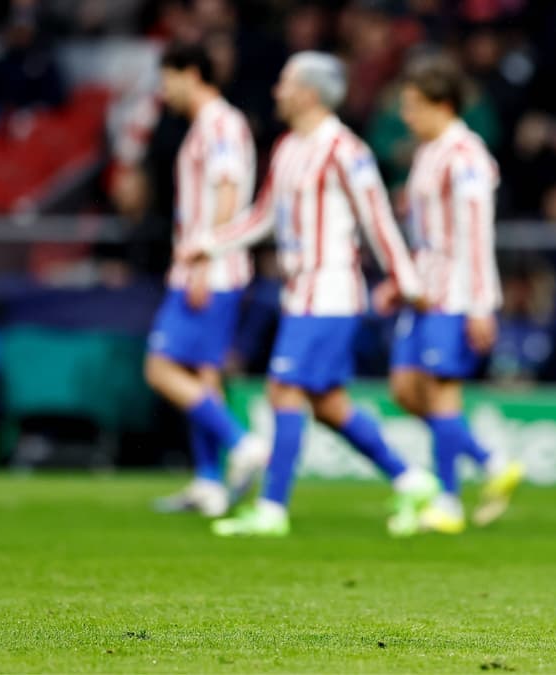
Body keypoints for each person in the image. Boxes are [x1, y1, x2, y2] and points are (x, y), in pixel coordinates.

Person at [183, 52, 439, 538]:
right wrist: (211, 244)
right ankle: (412, 480)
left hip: (332, 291)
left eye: (284, 82)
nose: (276, 91)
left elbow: (377, 219)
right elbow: (263, 217)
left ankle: (272, 510)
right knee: (327, 403)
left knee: (284, 389)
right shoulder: (287, 148)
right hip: (300, 292)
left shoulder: (345, 149)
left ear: (308, 92)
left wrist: (407, 281)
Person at [381, 57, 523, 535]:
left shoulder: (466, 156)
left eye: (413, 106)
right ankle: (488, 461)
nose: (406, 116)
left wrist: (480, 305)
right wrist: (399, 282)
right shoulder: (428, 151)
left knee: (442, 393)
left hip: (455, 292)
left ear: (442, 105)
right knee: (405, 389)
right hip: (422, 290)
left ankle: (447, 501)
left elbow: (476, 235)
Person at [146, 42, 264, 518]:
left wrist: (202, 260)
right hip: (208, 266)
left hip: (208, 269)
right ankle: (209, 482)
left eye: (167, 77)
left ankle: (242, 444)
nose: (163, 89)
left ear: (191, 73)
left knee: (160, 368)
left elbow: (229, 190)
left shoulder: (220, 124)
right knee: (201, 374)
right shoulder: (208, 125)